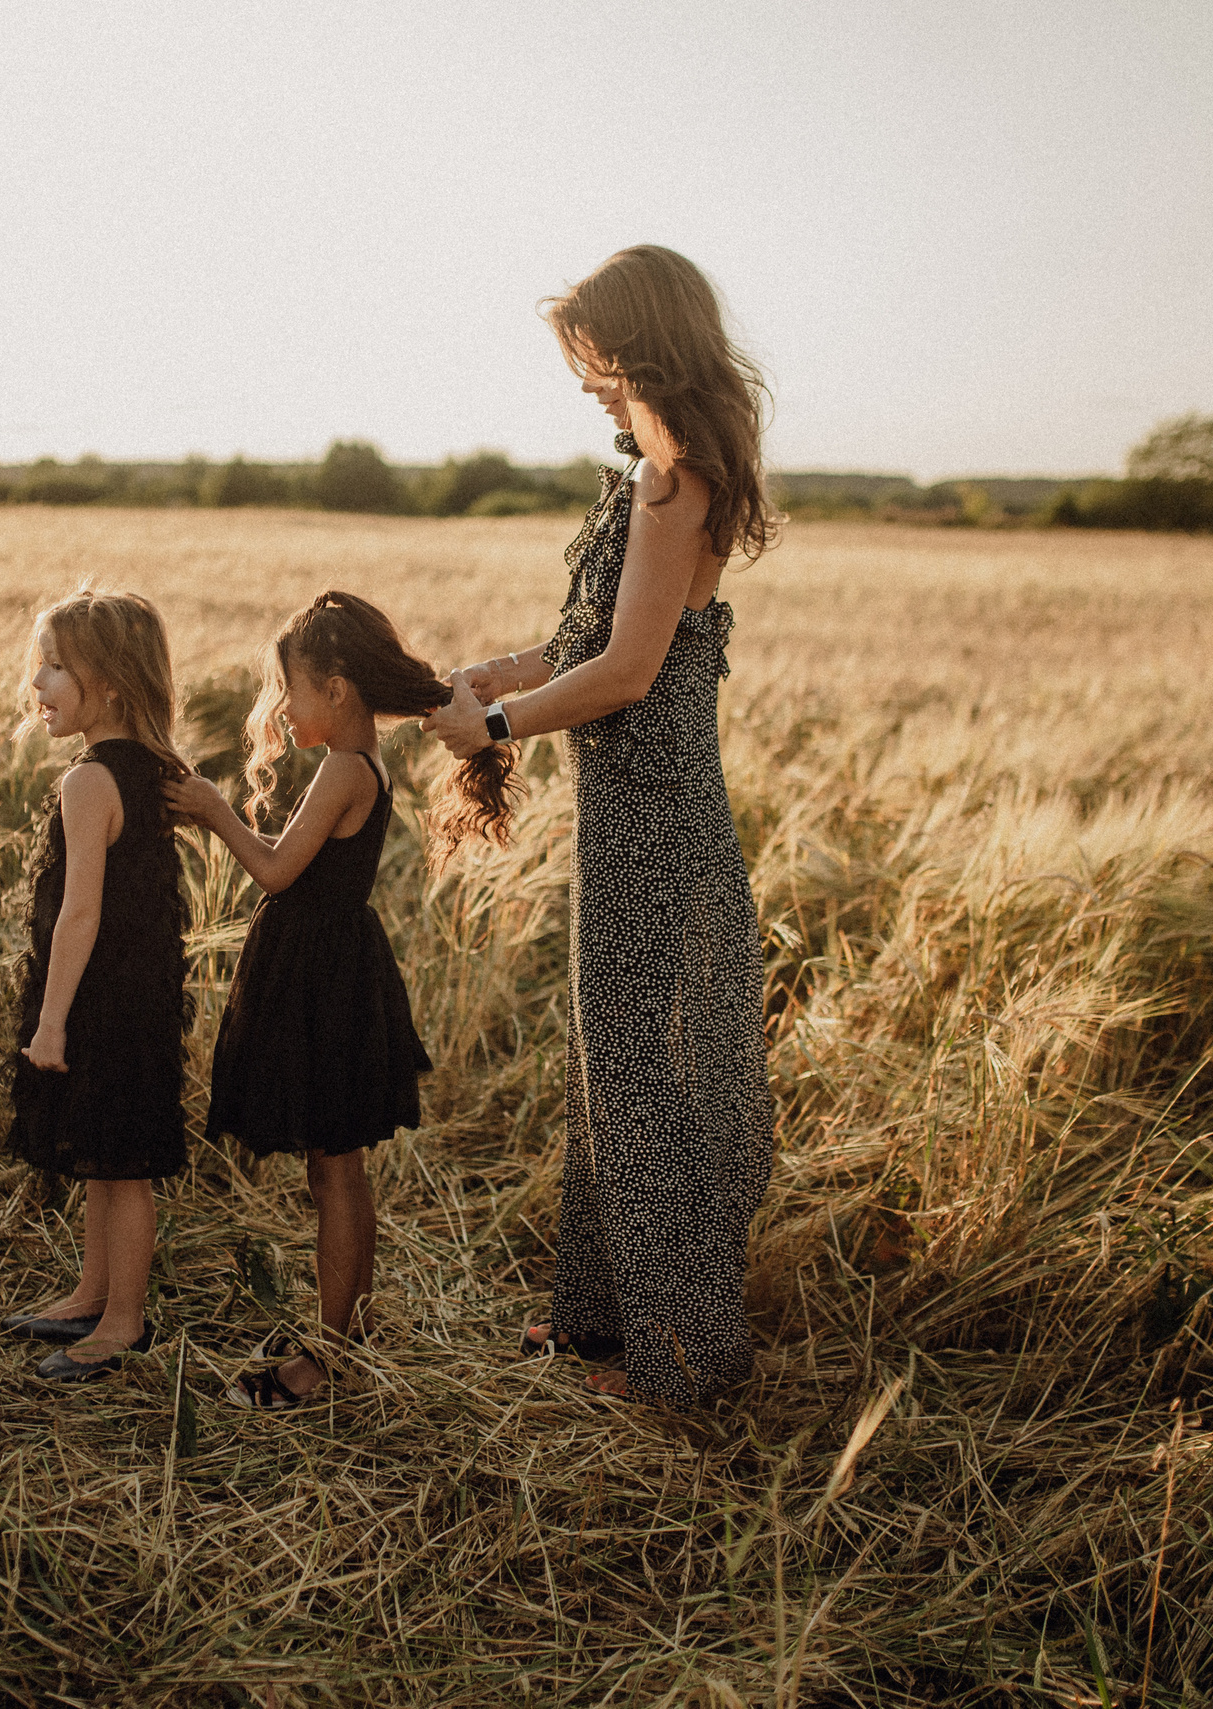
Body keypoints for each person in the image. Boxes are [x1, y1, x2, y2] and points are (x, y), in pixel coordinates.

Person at [425, 245, 781, 1408]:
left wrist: (497, 728)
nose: (580, 376)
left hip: (658, 818)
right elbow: (586, 641)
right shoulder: (649, 479)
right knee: (612, 1066)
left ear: (636, 345)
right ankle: (598, 1321)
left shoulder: (672, 489)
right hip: (634, 812)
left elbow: (626, 673)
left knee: (643, 1079)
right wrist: (488, 677)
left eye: (589, 352)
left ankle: (680, 1361)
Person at [165, 591, 516, 1408]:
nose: (281, 707)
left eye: (291, 689)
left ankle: (324, 1364)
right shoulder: (367, 763)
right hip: (341, 969)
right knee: (344, 1170)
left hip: (318, 981)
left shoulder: (342, 769)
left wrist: (216, 811)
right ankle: (343, 1340)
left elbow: (279, 870)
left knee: (333, 1175)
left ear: (337, 690)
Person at [0, 588, 190, 1386]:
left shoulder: (88, 783)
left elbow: (79, 913)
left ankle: (122, 1322)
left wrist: (50, 1023)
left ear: (107, 683)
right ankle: (90, 1292)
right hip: (139, 994)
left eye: (53, 667)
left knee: (123, 1164)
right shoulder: (151, 771)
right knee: (109, 1158)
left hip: (99, 999)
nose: (35, 685)